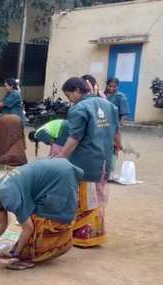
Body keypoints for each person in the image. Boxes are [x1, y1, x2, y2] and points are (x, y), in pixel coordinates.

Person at [0, 158, 84, 270]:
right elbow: (2, 222)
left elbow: (28, 228)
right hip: (57, 168)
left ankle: (38, 254)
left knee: (40, 219)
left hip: (60, 177)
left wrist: (16, 254)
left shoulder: (11, 198)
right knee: (32, 218)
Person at [58, 77, 119, 248]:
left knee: (84, 198)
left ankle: (83, 235)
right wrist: (117, 149)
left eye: (69, 95)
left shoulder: (79, 109)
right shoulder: (108, 105)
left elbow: (74, 138)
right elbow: (116, 133)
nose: (69, 100)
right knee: (97, 196)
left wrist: (59, 158)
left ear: (77, 90)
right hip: (104, 160)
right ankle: (96, 232)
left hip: (85, 161)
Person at [0, 78, 27, 168]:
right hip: (7, 120)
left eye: (6, 86)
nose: (5, 87)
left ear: (11, 86)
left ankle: (9, 158)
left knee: (10, 140)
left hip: (13, 120)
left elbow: (4, 104)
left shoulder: (15, 94)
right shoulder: (10, 93)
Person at [105, 77, 127, 178]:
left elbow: (123, 112)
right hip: (102, 124)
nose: (112, 88)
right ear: (106, 85)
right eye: (110, 86)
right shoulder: (102, 95)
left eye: (114, 86)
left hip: (114, 126)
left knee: (114, 147)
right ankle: (104, 169)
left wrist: (120, 123)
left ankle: (110, 170)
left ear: (117, 86)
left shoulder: (120, 96)